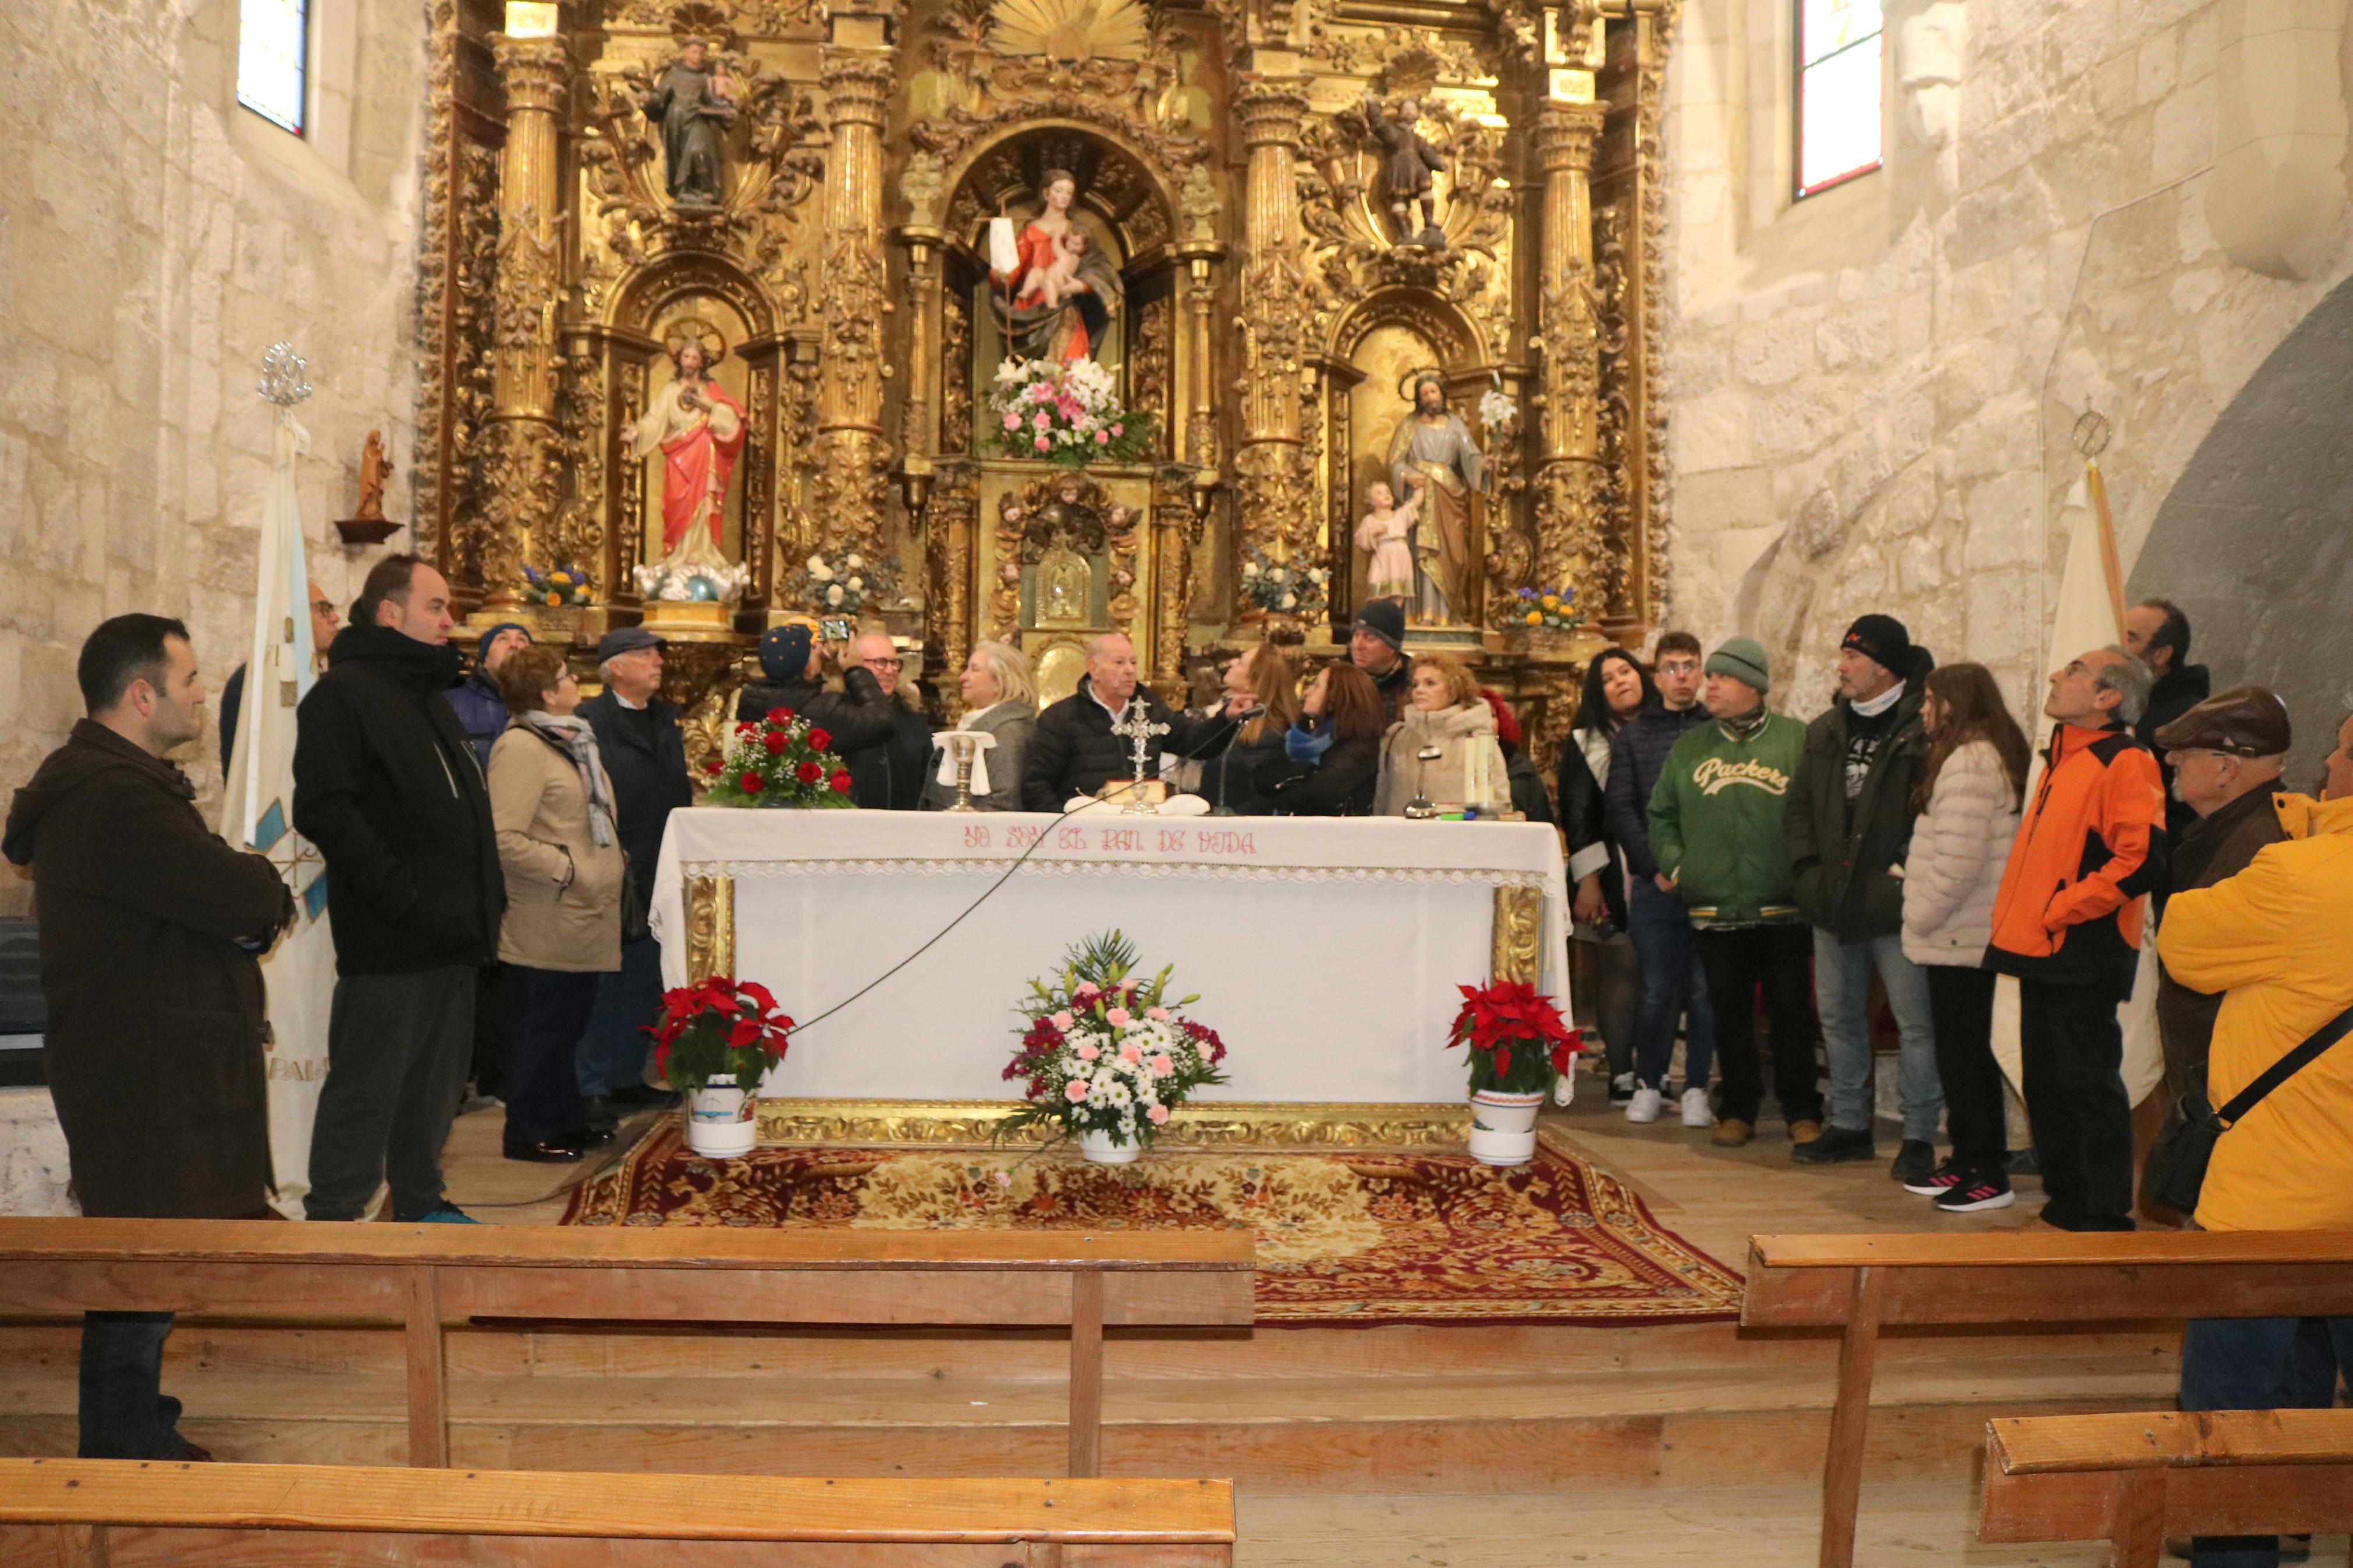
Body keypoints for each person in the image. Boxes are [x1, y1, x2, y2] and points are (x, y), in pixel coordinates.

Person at [5, 614, 293, 1460]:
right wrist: (251, 896)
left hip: (150, 1052)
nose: (203, 693)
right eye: (191, 678)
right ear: (142, 694)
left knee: (145, 1241)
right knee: (137, 1246)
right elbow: (239, 898)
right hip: (142, 1061)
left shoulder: (118, 783)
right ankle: (124, 1435)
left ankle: (132, 1423)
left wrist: (236, 902)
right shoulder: (115, 795)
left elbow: (208, 897)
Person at [2155, 707, 2353, 1568]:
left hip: (2274, 1196)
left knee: (2228, 1420)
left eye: (2341, 747)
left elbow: (2184, 942)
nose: (2324, 757)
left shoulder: (2300, 875)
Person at [294, 553, 503, 1225]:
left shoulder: (428, 696)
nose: (450, 619)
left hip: (451, 934)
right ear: (390, 612)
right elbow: (326, 809)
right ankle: (333, 1220)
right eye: (435, 606)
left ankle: (417, 1202)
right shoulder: (343, 694)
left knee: (433, 1089)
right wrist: (402, 898)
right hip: (392, 935)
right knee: (368, 1086)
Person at [1985, 646, 2167, 1233]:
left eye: (2074, 671)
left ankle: (2102, 1208)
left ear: (2106, 697)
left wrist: (2063, 907)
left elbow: (2139, 860)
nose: (2056, 676)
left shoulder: (2125, 759)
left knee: (2085, 1080)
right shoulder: (2064, 758)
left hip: (2081, 946)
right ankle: (2067, 1198)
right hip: (2040, 945)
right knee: (2046, 1079)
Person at [1646, 637, 1821, 1148]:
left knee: (1791, 1014)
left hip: (1782, 905)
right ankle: (1738, 1107)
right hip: (1714, 905)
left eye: (1721, 676)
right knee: (1728, 1015)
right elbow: (1661, 816)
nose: (1709, 684)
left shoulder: (1795, 740)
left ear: (1753, 685)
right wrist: (1682, 866)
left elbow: (1816, 812)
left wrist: (1804, 870)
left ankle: (1802, 1109)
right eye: (1711, 676)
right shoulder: (1690, 747)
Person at [1786, 614, 1941, 1180]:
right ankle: (1849, 1125)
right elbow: (1799, 808)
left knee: (1914, 1022)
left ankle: (1919, 1135)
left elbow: (1930, 807)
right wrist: (1806, 871)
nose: (1841, 667)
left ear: (1882, 668)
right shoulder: (1825, 728)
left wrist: (1900, 871)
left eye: (1851, 657)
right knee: (1838, 1016)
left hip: (1895, 905)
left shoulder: (1921, 729)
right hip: (1831, 899)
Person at [1898, 662, 2031, 1212]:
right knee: (1961, 1057)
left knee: (1968, 1059)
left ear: (1956, 702)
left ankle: (1987, 1171)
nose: (1924, 711)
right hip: (1962, 934)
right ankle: (1968, 1157)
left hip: (1961, 935)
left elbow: (1958, 862)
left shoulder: (1970, 763)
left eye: (1931, 700)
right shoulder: (1972, 754)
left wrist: (1919, 917)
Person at [485, 645, 624, 1162]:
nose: (577, 683)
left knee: (568, 1025)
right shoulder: (521, 747)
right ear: (546, 692)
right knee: (541, 1029)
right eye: (568, 677)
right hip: (548, 913)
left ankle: (563, 1117)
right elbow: (501, 835)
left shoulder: (572, 739)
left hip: (584, 914)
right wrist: (567, 869)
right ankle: (528, 1129)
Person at [2148, 687, 2293, 1181]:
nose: (2171, 760)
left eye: (2184, 754)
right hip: (2213, 1069)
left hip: (2232, 1075)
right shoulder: (2231, 830)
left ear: (2227, 767)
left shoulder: (2263, 844)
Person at [576, 627, 691, 1126]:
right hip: (613, 861)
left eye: (656, 655)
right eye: (644, 656)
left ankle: (626, 1076)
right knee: (606, 977)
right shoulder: (588, 722)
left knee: (645, 974)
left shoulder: (665, 720)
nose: (657, 663)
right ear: (615, 667)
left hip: (658, 862)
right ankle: (592, 1083)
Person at [1605, 631, 1718, 1125]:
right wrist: (1654, 866)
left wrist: (1702, 866)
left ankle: (1696, 1086)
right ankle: (1649, 1081)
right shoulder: (1634, 736)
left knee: (1703, 989)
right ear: (1656, 677)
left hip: (1709, 882)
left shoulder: (1717, 730)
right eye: (1671, 667)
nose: (1681, 676)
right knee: (1655, 989)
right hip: (1656, 886)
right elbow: (1622, 808)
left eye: (1690, 666)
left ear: (1701, 672)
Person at [1557, 647, 1656, 1102]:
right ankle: (1620, 1070)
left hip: (1664, 859)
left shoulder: (1670, 726)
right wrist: (1589, 880)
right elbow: (1578, 817)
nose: (1619, 681)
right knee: (1622, 964)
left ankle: (1653, 1072)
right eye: (1607, 680)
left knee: (1663, 971)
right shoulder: (1587, 742)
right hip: (1612, 868)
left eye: (1625, 671)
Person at [1022, 633, 1248, 810]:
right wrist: (1065, 825)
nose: (1130, 671)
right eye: (1120, 663)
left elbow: (1195, 743)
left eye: (1133, 663)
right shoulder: (1062, 718)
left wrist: (1225, 719)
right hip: (1086, 829)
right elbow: (1036, 784)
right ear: (1094, 669)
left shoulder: (1149, 708)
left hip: (1144, 824)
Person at [734, 621, 898, 755]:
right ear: (809, 669)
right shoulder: (823, 709)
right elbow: (882, 722)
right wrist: (856, 670)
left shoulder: (750, 700)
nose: (820, 650)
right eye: (813, 649)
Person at [1373, 654, 1509, 816]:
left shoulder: (1476, 739)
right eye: (1415, 685)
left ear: (1453, 689)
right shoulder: (1397, 737)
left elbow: (1494, 807)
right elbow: (1382, 799)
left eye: (1430, 684)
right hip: (1401, 836)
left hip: (1457, 836)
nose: (1419, 690)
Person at [218, 582, 339, 762]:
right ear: (292, 618)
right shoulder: (252, 680)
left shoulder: (327, 680)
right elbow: (241, 764)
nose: (335, 618)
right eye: (324, 610)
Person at [2124, 598, 2209, 839]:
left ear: (2161, 655)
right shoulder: (2124, 702)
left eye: (2130, 638)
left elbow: (2185, 811)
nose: (2115, 645)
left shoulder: (2189, 718)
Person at [922, 640, 1039, 811]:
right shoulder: (993, 725)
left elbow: (1002, 803)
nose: (963, 676)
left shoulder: (1008, 732)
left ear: (1000, 682)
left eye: (975, 669)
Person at [1257, 662, 1386, 816]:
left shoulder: (1361, 744)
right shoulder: (1305, 734)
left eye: (1317, 686)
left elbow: (1322, 791)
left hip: (1336, 833)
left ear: (1337, 696)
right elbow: (1264, 776)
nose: (1307, 692)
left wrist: (1270, 803)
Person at [839, 631, 934, 810]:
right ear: (853, 666)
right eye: (880, 663)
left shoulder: (912, 719)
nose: (890, 671)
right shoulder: (839, 716)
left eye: (894, 663)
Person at [1204, 645, 1299, 815]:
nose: (1232, 662)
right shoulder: (1235, 720)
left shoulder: (1270, 735)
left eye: (1240, 662)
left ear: (1252, 683)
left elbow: (1258, 795)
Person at [446, 622, 533, 769]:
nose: (514, 645)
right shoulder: (451, 703)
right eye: (503, 639)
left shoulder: (549, 704)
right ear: (485, 660)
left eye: (521, 640)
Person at [1480, 689, 1555, 825]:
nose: (1487, 723)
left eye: (1492, 715)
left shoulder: (1520, 767)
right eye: (1479, 716)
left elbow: (1540, 818)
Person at [1348, 599, 1414, 721]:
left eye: (1369, 638)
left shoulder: (1414, 682)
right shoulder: (1342, 679)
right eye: (1356, 636)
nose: (1358, 645)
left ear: (1392, 647)